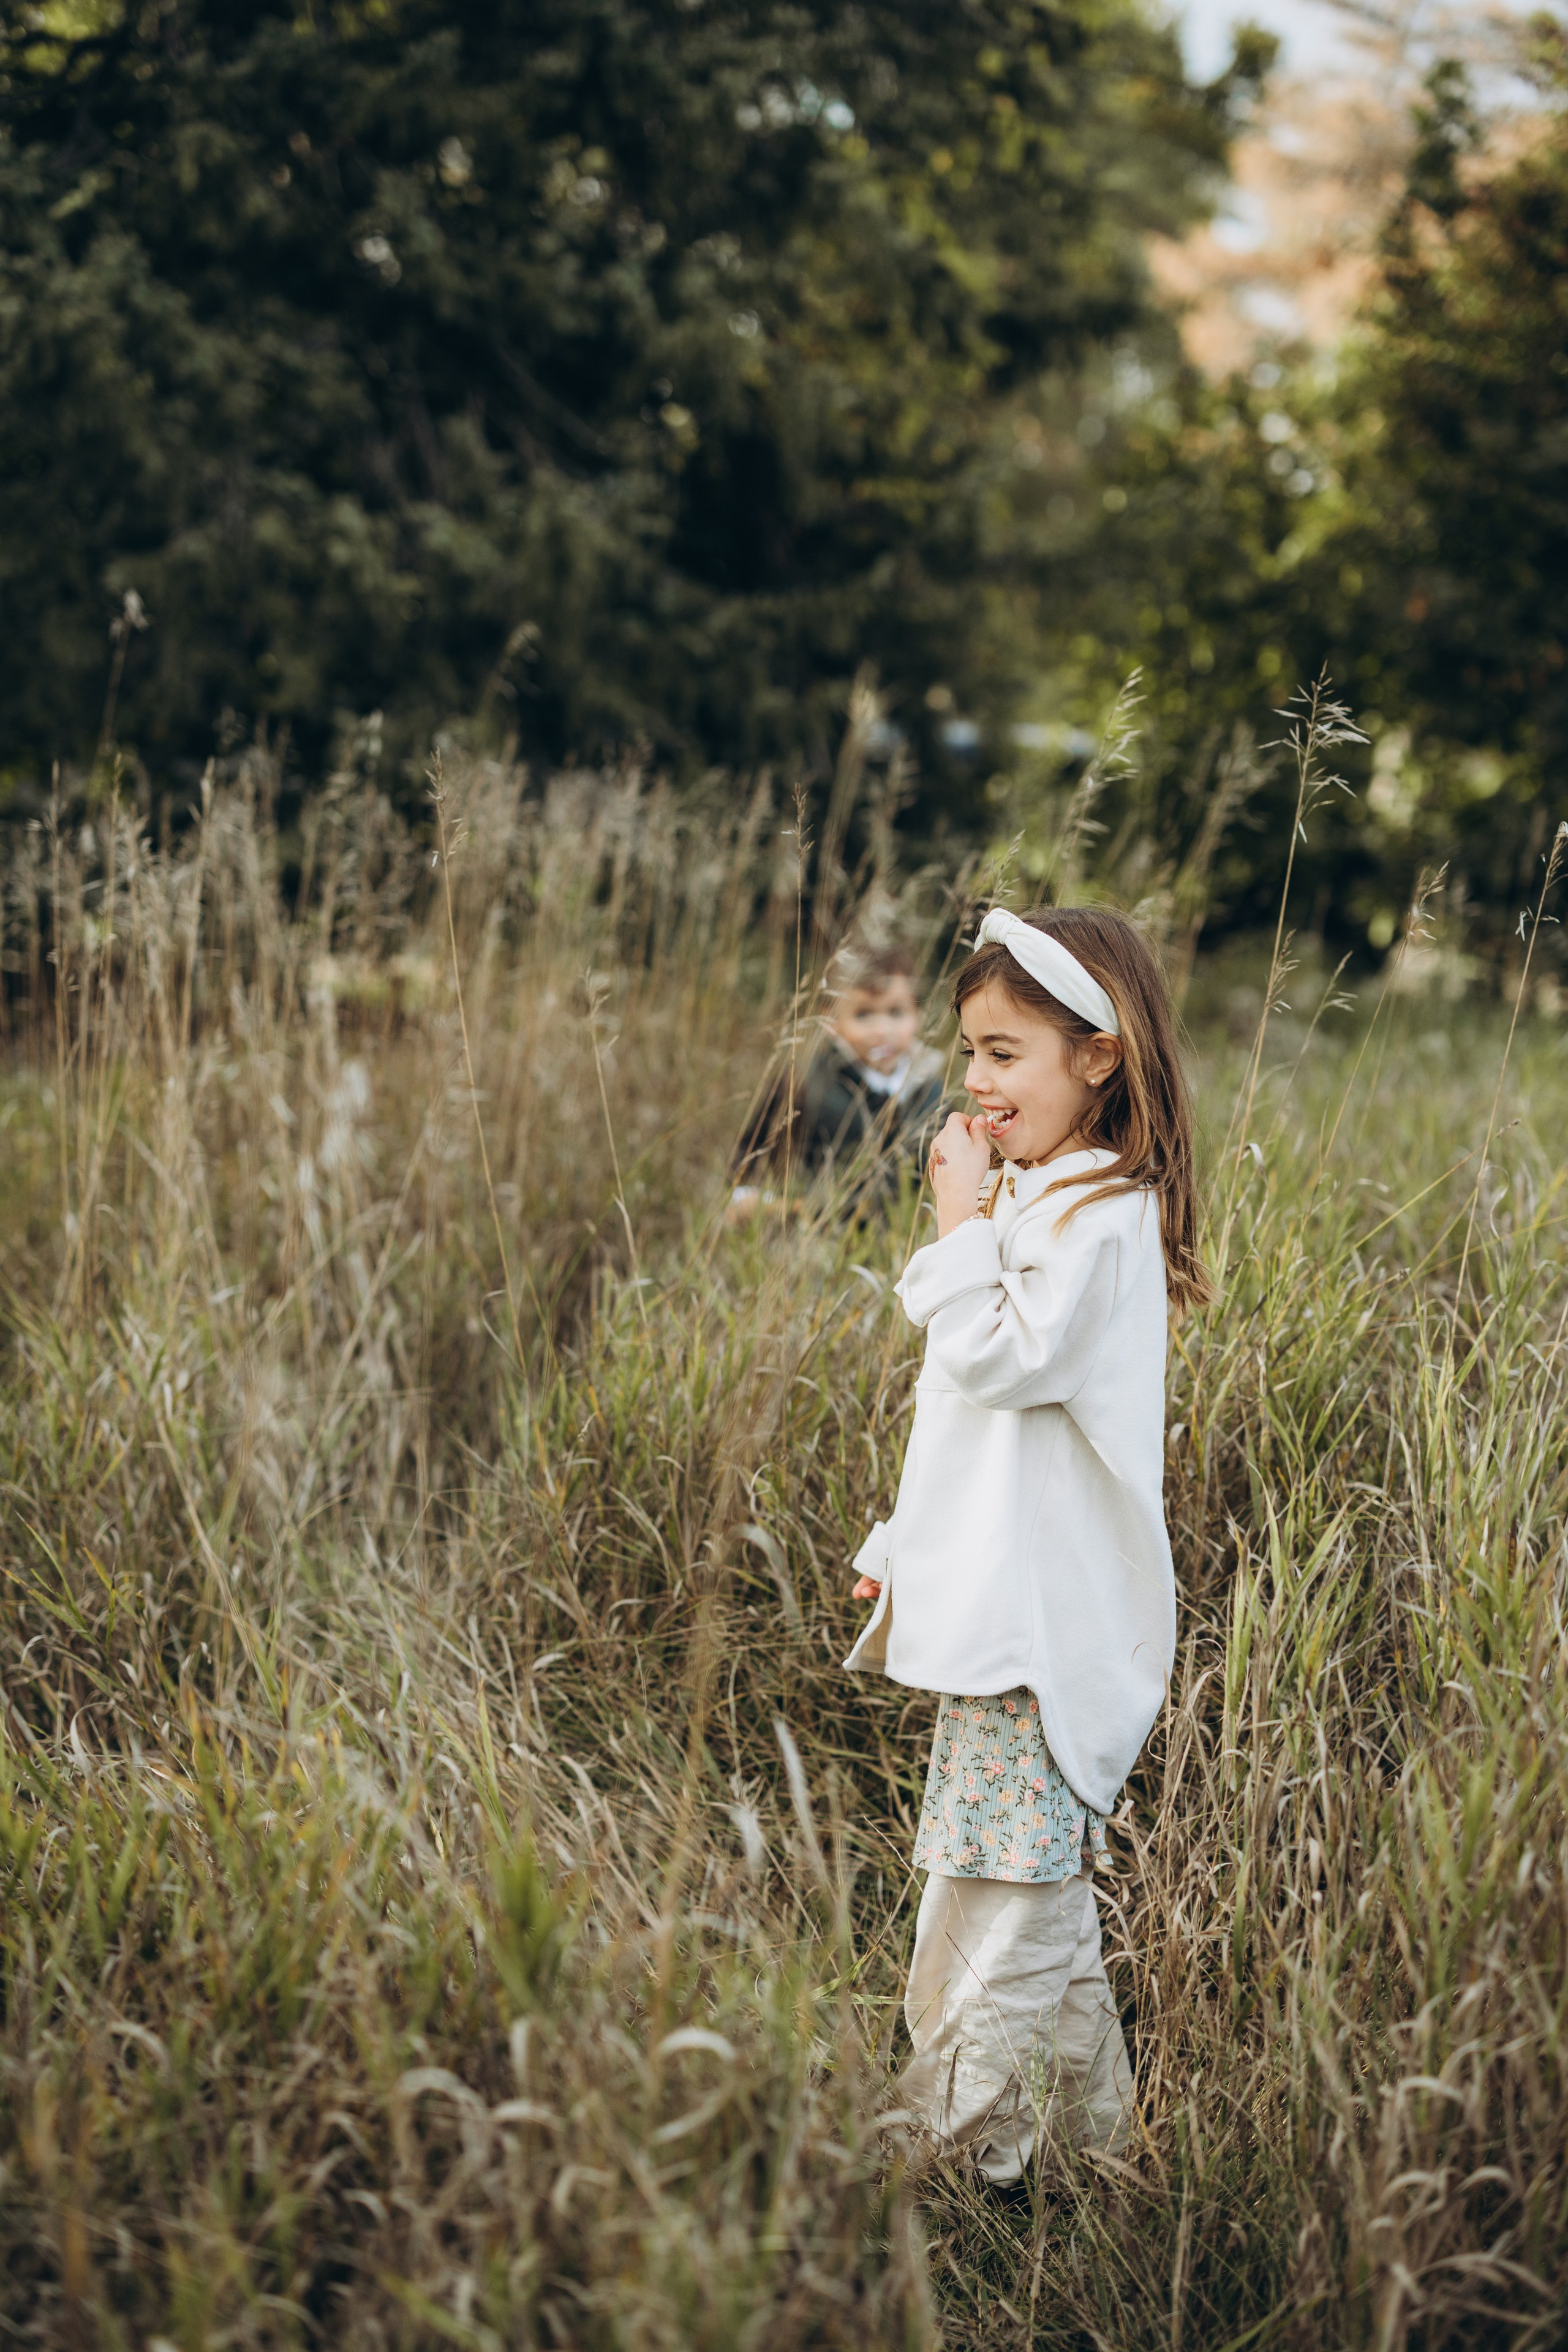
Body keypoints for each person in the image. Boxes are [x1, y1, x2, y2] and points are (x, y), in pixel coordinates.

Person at [843, 904, 1211, 2182]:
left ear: (1097, 1056)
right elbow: (965, 1424)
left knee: (1000, 1904)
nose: (976, 1083)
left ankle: (938, 2165)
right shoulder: (1037, 1197)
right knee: (999, 1888)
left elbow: (999, 1359)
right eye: (968, 1055)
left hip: (1042, 1635)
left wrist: (951, 1225)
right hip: (995, 1612)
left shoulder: (1096, 1214)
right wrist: (906, 1538)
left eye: (1005, 1053)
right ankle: (1091, 2151)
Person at [730, 940, 946, 1215]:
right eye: (863, 1014)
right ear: (831, 1020)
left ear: (918, 1015)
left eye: (896, 1013)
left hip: (901, 1232)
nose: (882, 1030)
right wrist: (764, 1205)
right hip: (816, 1223)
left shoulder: (931, 1089)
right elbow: (753, 1157)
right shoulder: (806, 1081)